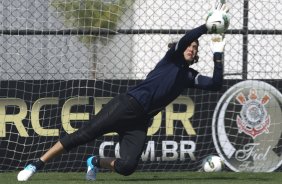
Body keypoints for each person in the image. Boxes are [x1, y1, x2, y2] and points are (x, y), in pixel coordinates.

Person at [17, 3, 229, 181]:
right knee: (83, 135)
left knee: (127, 167)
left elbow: (216, 84)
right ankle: (36, 164)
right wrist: (206, 26)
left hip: (140, 122)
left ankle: (94, 162)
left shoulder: (189, 77)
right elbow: (185, 39)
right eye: (190, 46)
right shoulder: (170, 59)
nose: (191, 48)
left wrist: (218, 52)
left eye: (195, 47)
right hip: (126, 105)